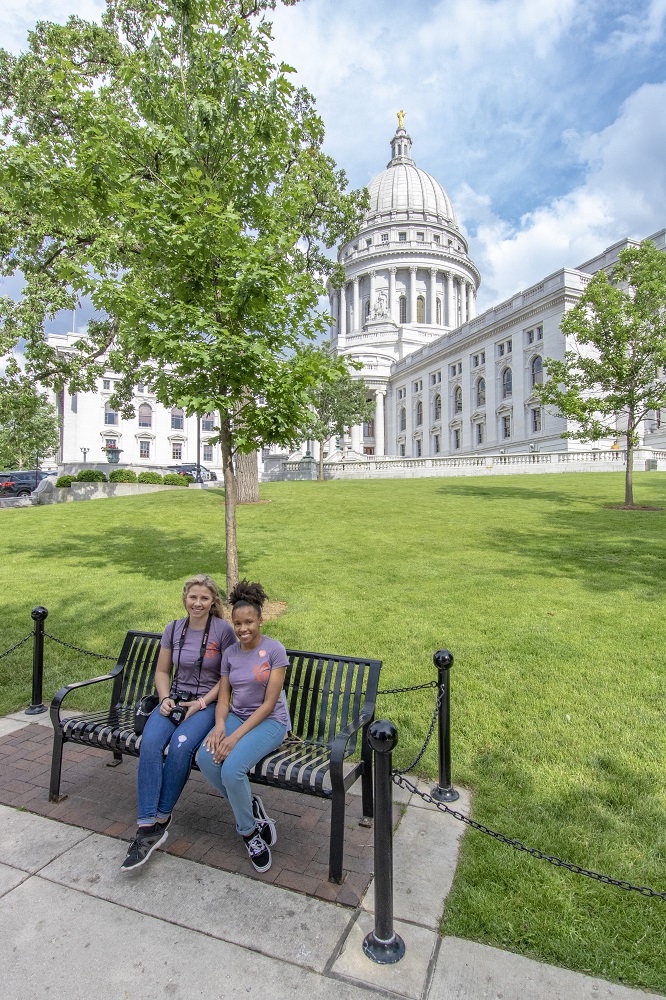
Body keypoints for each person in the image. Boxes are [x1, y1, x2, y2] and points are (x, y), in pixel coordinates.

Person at [120, 573, 235, 872]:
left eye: (204, 598)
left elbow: (227, 678)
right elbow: (162, 671)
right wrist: (164, 698)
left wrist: (202, 703)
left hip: (205, 704)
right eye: (193, 597)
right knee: (151, 744)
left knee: (181, 747)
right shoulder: (173, 628)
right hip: (174, 701)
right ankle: (147, 827)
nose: (198, 603)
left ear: (213, 601)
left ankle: (161, 818)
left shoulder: (223, 630)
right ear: (185, 598)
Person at [197, 580, 290, 873]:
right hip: (237, 716)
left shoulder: (275, 651)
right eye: (237, 623)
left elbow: (269, 704)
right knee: (205, 757)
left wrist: (234, 737)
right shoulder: (230, 654)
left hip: (270, 722)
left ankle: (249, 834)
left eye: (249, 622)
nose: (243, 629)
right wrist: (219, 726)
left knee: (232, 770)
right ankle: (249, 808)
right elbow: (224, 698)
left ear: (261, 620)